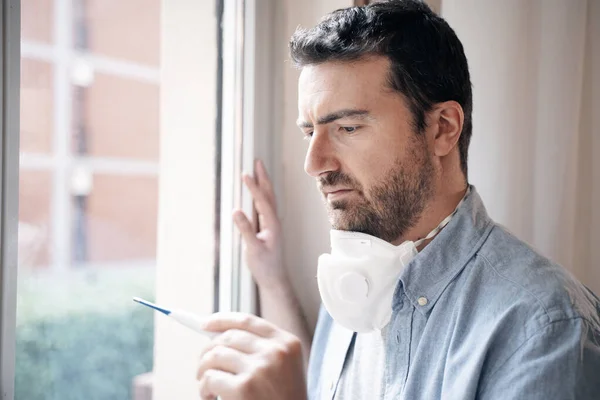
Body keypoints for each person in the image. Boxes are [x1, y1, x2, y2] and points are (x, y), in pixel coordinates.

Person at [196, 1, 600, 399]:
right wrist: (271, 278)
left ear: (443, 129)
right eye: (309, 132)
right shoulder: (353, 283)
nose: (314, 164)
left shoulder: (545, 325)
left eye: (349, 127)